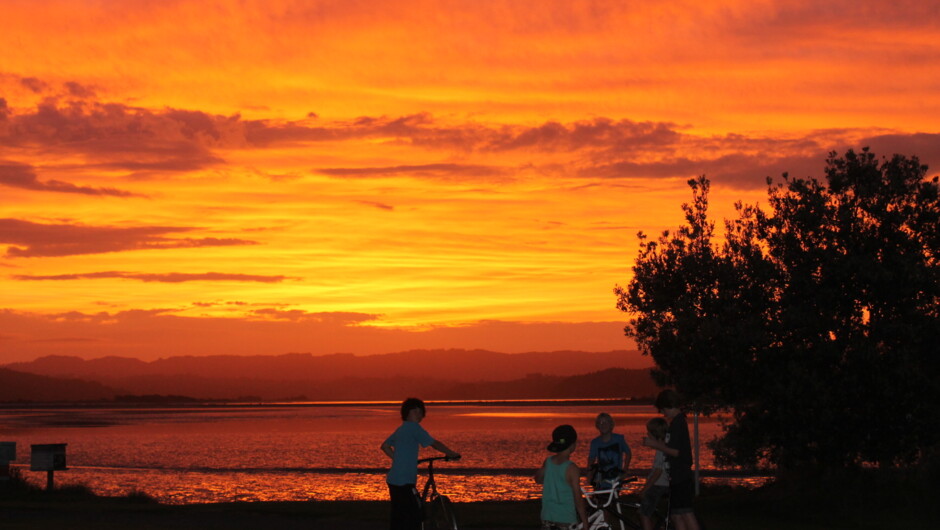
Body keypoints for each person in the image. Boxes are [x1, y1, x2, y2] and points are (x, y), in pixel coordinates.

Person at [381, 397, 460, 530]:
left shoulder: (401, 429)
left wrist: (399, 459)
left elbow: (385, 446)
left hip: (393, 479)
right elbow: (434, 443)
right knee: (416, 514)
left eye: (421, 413)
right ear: (409, 413)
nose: (420, 416)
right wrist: (451, 453)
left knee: (399, 515)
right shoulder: (414, 428)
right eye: (417, 412)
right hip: (404, 481)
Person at [643, 389, 700, 530]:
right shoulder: (675, 423)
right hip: (675, 477)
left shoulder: (679, 423)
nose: (663, 413)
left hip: (682, 476)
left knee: (686, 513)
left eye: (663, 409)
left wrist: (656, 445)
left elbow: (677, 452)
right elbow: (672, 448)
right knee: (676, 515)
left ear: (668, 405)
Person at [534, 424, 589, 530]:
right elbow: (577, 498)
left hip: (547, 518)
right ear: (573, 445)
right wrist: (585, 521)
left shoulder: (548, 462)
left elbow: (538, 479)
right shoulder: (572, 469)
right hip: (566, 519)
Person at [639, 417, 670, 530]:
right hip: (667, 484)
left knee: (644, 513)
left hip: (659, 485)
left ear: (654, 434)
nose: (647, 434)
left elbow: (657, 472)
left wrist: (645, 489)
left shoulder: (660, 450)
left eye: (648, 432)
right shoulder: (667, 445)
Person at [587, 412, 632, 486]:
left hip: (616, 478)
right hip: (601, 478)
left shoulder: (619, 439)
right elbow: (591, 459)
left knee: (614, 496)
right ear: (597, 425)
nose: (603, 425)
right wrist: (589, 475)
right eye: (600, 422)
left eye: (606, 422)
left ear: (611, 424)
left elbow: (628, 453)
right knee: (600, 495)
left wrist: (625, 469)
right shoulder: (595, 442)